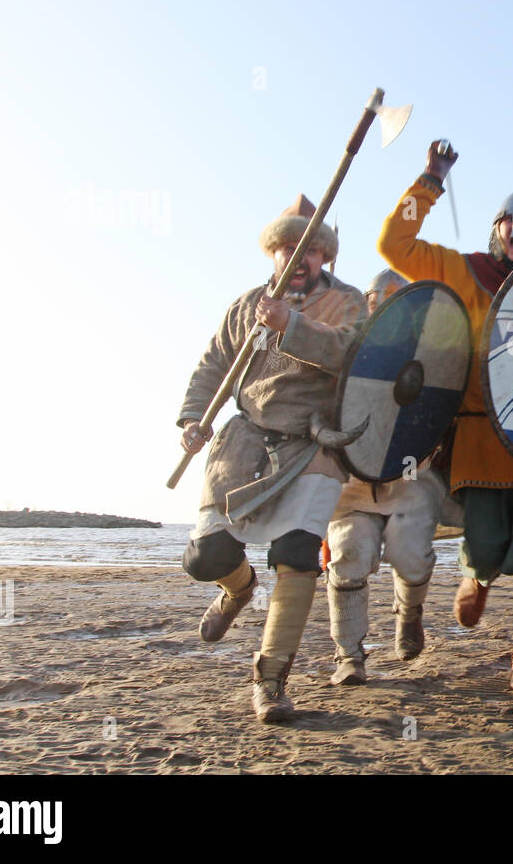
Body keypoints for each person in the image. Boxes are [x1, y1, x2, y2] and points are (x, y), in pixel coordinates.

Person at [376, 141, 513, 696]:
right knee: (490, 546)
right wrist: (430, 179)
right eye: (508, 219)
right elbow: (392, 244)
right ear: (495, 229)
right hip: (479, 437)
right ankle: (478, 571)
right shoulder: (459, 269)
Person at [177, 194, 366, 721]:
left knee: (298, 553)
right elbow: (213, 365)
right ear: (274, 253)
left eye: (309, 248)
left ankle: (271, 680)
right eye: (288, 246)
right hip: (246, 439)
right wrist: (193, 419)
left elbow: (354, 354)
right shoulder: (244, 305)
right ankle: (238, 590)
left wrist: (292, 327)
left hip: (314, 442)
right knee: (205, 557)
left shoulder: (348, 301)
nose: (298, 257)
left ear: (324, 256)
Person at [323, 271, 451, 684]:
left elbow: (442, 409)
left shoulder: (431, 355)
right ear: (369, 302)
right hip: (352, 484)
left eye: (401, 300)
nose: (391, 309)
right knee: (349, 554)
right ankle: (348, 655)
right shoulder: (343, 345)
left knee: (410, 553)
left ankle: (409, 613)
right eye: (383, 300)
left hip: (412, 479)